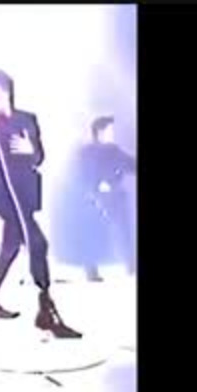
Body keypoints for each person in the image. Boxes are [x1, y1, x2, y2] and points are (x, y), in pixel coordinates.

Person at [0, 68, 81, 338]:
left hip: (27, 191)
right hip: (6, 195)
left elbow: (39, 156)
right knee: (37, 244)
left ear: (6, 90)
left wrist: (30, 150)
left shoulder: (28, 119)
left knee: (10, 247)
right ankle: (46, 310)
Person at [72, 116, 136, 279]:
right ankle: (91, 270)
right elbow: (83, 174)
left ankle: (132, 265)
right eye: (109, 130)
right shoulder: (87, 152)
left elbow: (131, 165)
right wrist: (97, 186)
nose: (112, 134)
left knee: (124, 231)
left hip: (115, 197)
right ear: (100, 132)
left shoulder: (114, 150)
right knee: (94, 232)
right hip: (96, 198)